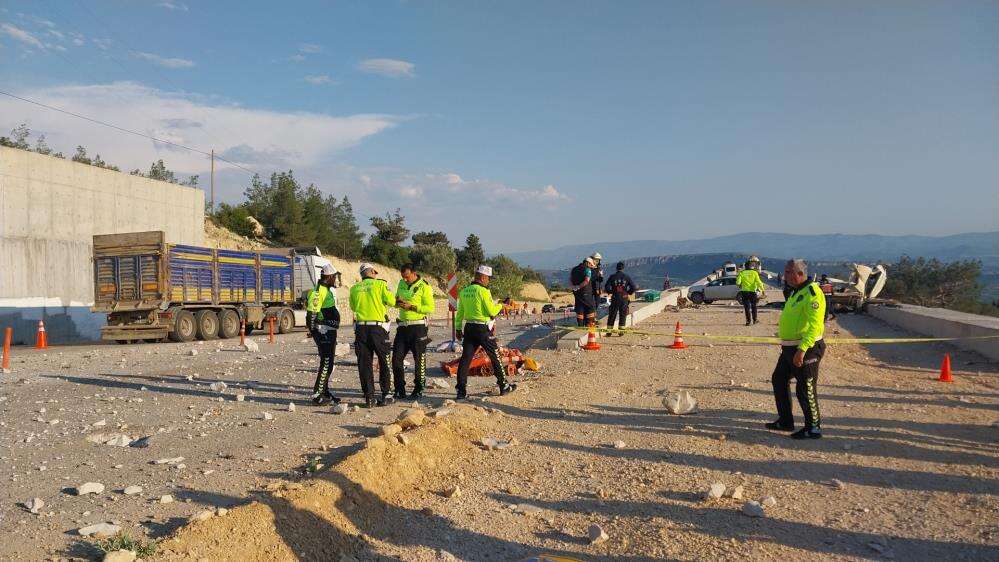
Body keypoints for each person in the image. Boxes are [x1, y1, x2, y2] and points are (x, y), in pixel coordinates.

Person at [767, 259, 826, 439]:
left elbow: (815, 325)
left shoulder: (812, 293)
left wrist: (802, 350)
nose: (784, 275)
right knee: (779, 379)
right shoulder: (795, 291)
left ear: (799, 274)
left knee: (805, 388)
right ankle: (785, 421)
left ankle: (813, 427)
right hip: (789, 348)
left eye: (787, 272)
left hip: (806, 349)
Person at [455, 265, 517, 400]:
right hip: (482, 329)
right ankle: (504, 385)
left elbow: (460, 313)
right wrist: (501, 305)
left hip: (469, 328)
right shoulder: (483, 291)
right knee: (495, 355)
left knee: (465, 359)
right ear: (483, 277)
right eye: (488, 278)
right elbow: (491, 311)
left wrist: (458, 328)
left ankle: (461, 391)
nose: (488, 281)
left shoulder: (465, 291)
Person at [349, 263, 400, 407]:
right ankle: (386, 394)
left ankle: (369, 397)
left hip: (361, 329)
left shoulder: (354, 288)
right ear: (371, 272)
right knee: (384, 361)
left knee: (364, 364)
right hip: (378, 329)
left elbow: (353, 307)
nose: (376, 275)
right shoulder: (380, 285)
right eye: (375, 272)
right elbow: (391, 301)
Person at [392, 263, 434, 400]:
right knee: (396, 359)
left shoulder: (424, 286)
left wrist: (412, 307)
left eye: (407, 277)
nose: (405, 279)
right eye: (403, 277)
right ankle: (399, 388)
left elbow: (429, 307)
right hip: (403, 327)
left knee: (419, 359)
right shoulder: (401, 283)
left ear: (414, 273)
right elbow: (396, 298)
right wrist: (398, 302)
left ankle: (419, 388)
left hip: (418, 327)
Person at [305, 264, 342, 405]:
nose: (336, 279)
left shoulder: (326, 289)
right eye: (335, 277)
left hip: (329, 330)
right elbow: (311, 314)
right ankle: (317, 394)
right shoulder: (319, 291)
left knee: (329, 363)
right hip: (324, 331)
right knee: (326, 362)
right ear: (330, 277)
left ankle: (325, 391)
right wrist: (315, 332)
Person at [604, 262, 636, 334]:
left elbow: (606, 287)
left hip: (615, 297)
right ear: (623, 268)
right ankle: (621, 331)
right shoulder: (627, 277)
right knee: (623, 315)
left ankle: (609, 332)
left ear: (616, 268)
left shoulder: (612, 277)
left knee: (612, 314)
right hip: (624, 298)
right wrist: (628, 292)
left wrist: (611, 291)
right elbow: (633, 287)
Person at [736, 260, 765, 325]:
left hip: (744, 292)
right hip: (752, 292)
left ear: (745, 266)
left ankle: (748, 321)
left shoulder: (741, 273)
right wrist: (762, 290)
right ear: (751, 266)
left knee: (747, 307)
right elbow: (759, 282)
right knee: (754, 306)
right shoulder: (755, 273)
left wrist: (740, 286)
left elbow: (738, 282)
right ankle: (755, 320)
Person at [569, 257, 597, 327]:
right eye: (591, 265)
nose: (591, 267)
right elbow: (587, 281)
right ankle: (589, 325)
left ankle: (580, 325)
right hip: (586, 292)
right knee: (590, 307)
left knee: (580, 308)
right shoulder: (587, 270)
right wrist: (579, 286)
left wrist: (573, 287)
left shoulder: (574, 269)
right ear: (587, 263)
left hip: (577, 293)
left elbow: (570, 279)